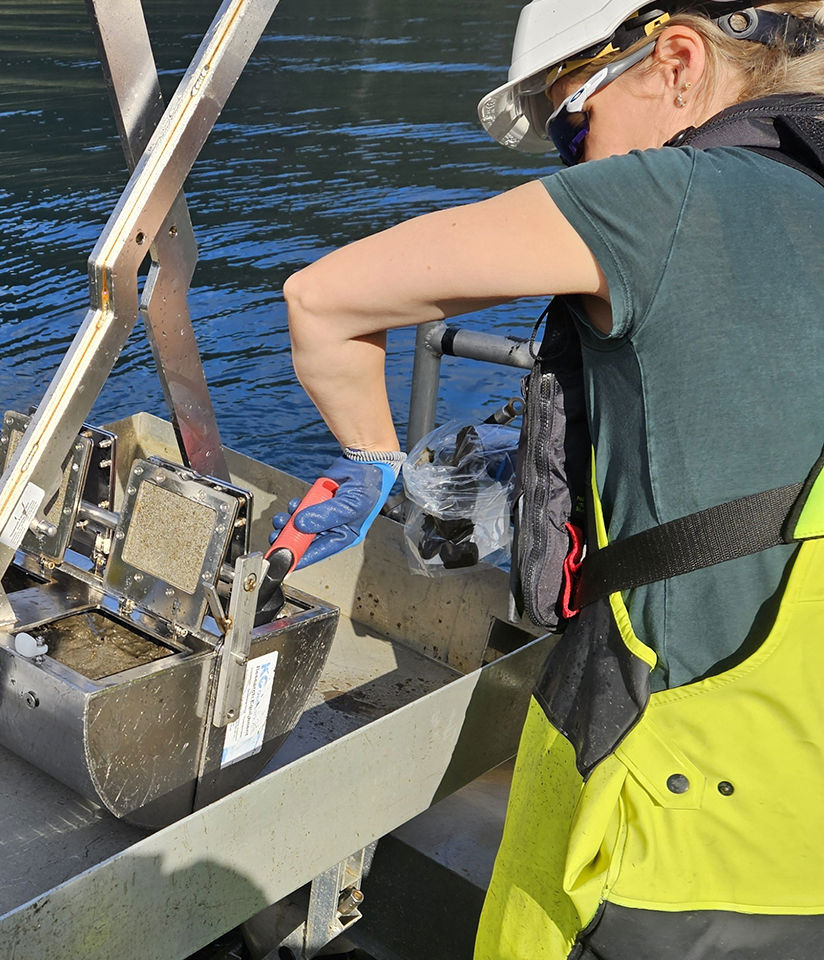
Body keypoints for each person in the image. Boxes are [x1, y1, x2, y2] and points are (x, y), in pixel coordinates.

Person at [278, 2, 824, 957]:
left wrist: (372, 459)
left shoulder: (672, 198)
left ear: (680, 61)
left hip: (693, 837)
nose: (575, 166)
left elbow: (321, 301)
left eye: (574, 128)